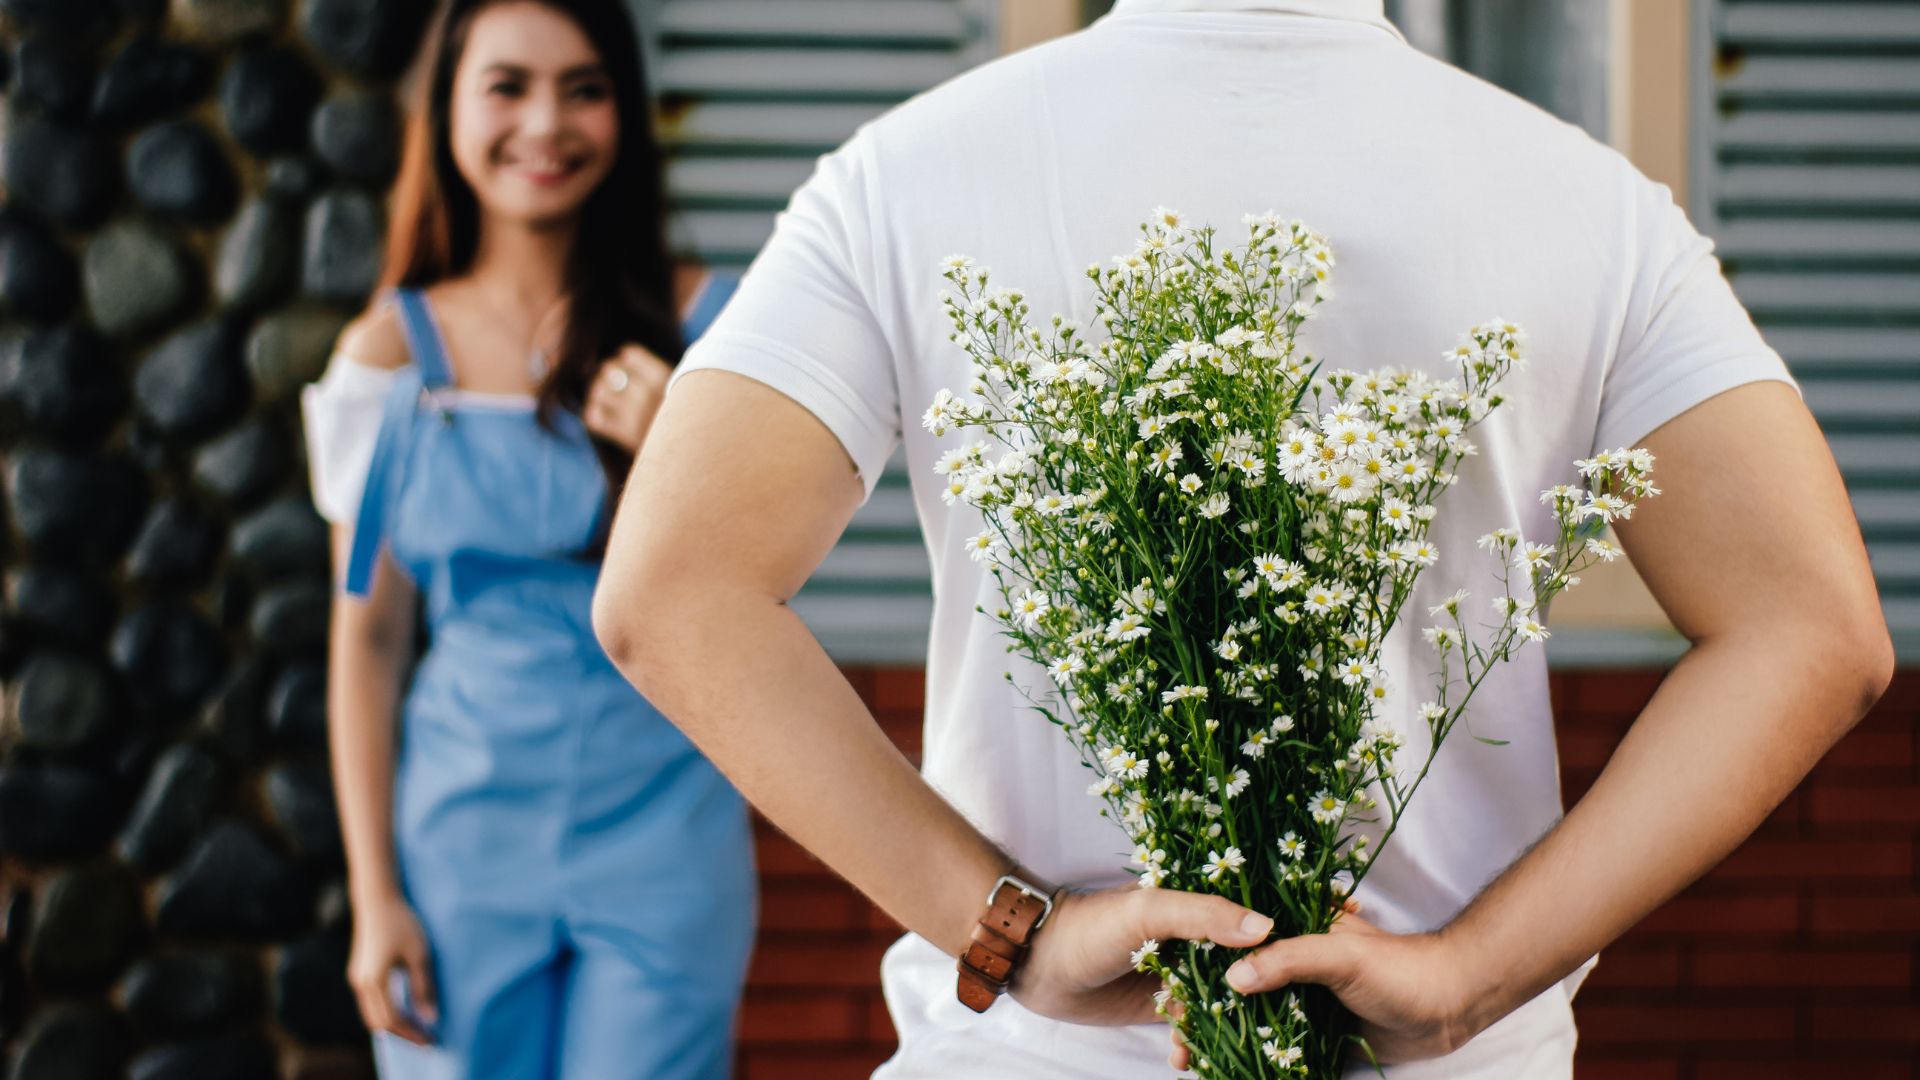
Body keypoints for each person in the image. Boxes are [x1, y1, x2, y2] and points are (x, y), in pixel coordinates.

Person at [589, 0, 1894, 1077]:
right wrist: (1463, 980)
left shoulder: (905, 173)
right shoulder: (1593, 205)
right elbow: (1817, 631)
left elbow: (670, 593)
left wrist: (1011, 938)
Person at [300, 1, 752, 1076]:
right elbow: (365, 645)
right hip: (460, 837)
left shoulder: (717, 333)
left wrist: (674, 451)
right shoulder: (386, 357)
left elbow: (764, 592)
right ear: (447, 108)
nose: (545, 123)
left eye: (584, 87)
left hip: (670, 827)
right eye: (507, 85)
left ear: (625, 115)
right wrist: (374, 896)